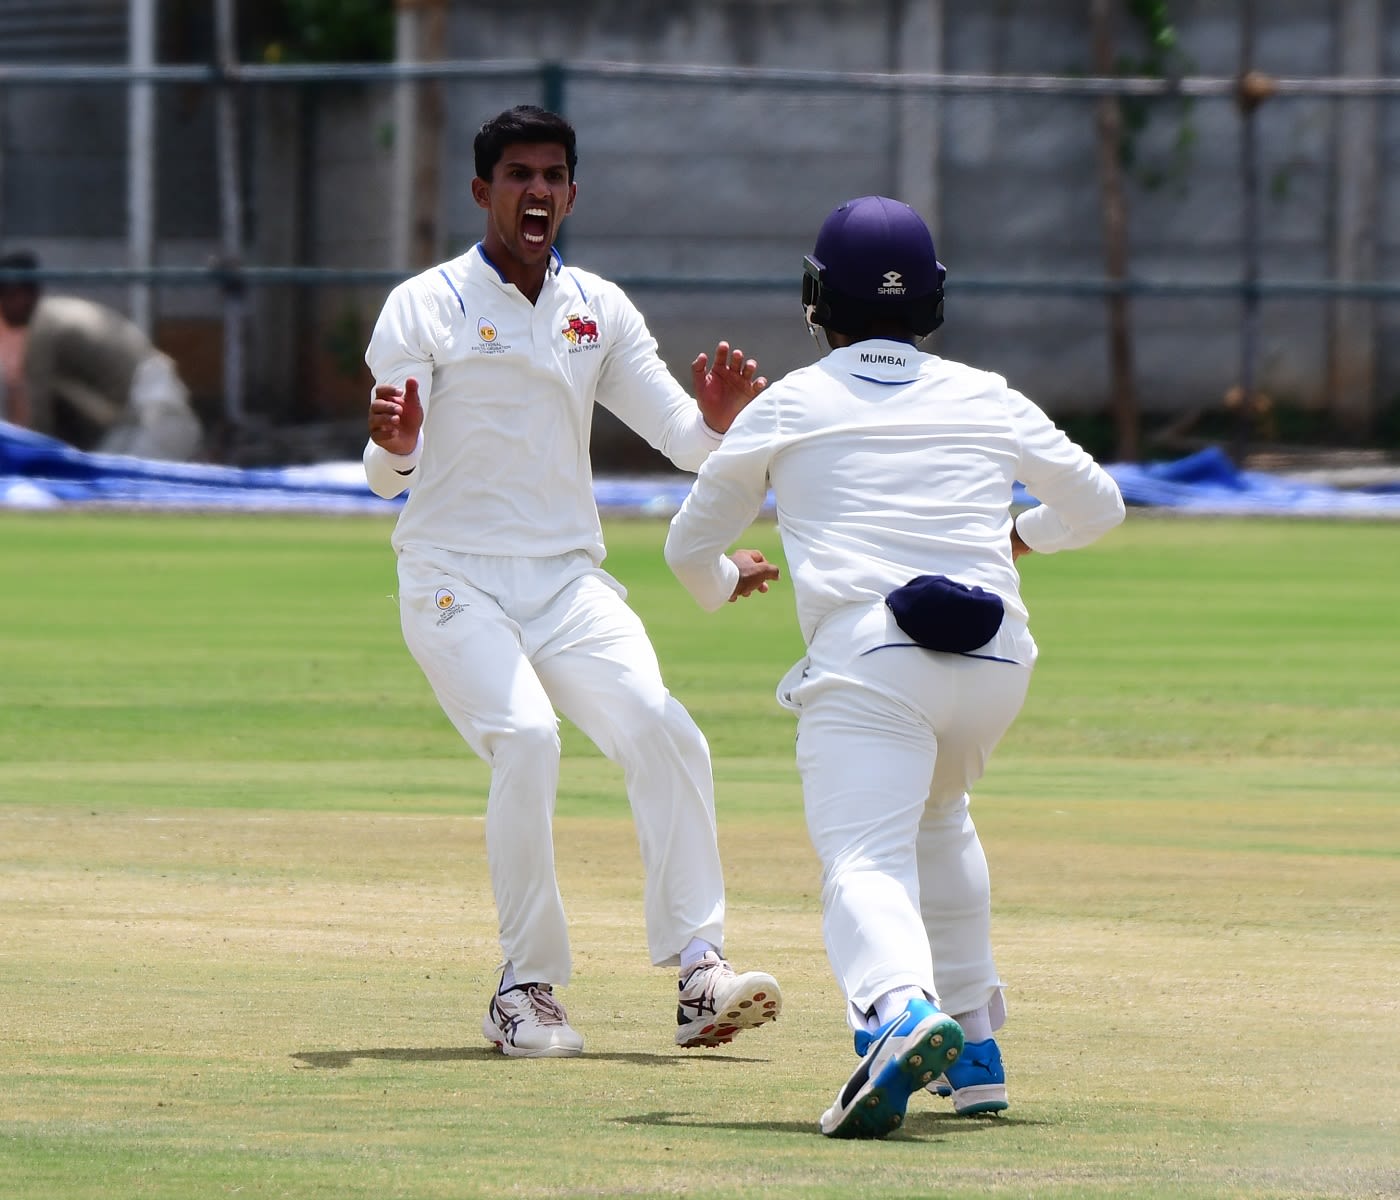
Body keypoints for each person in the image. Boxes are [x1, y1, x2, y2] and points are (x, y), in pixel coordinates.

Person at [664, 195, 1125, 1137]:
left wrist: (722, 583)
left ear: (813, 300)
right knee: (940, 819)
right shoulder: (988, 392)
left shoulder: (790, 402)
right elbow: (1103, 506)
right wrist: (1015, 537)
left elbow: (687, 546)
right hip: (996, 657)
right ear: (934, 302)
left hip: (874, 661)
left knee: (864, 857)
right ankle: (978, 1051)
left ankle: (895, 1010)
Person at [362, 104, 782, 1058]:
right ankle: (526, 988)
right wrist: (395, 445)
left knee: (665, 729)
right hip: (451, 578)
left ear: (573, 193)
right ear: (483, 192)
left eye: (554, 175)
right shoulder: (423, 305)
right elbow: (388, 471)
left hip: (564, 583)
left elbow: (682, 440)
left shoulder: (598, 307)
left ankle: (699, 972)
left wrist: (718, 423)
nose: (538, 190)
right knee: (529, 738)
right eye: (518, 175)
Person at [0, 251, 202, 461]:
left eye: (4, 298)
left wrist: (22, 464)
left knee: (115, 487)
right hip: (151, 408)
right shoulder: (55, 313)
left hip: (152, 417)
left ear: (21, 295)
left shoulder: (42, 328)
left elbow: (38, 419)